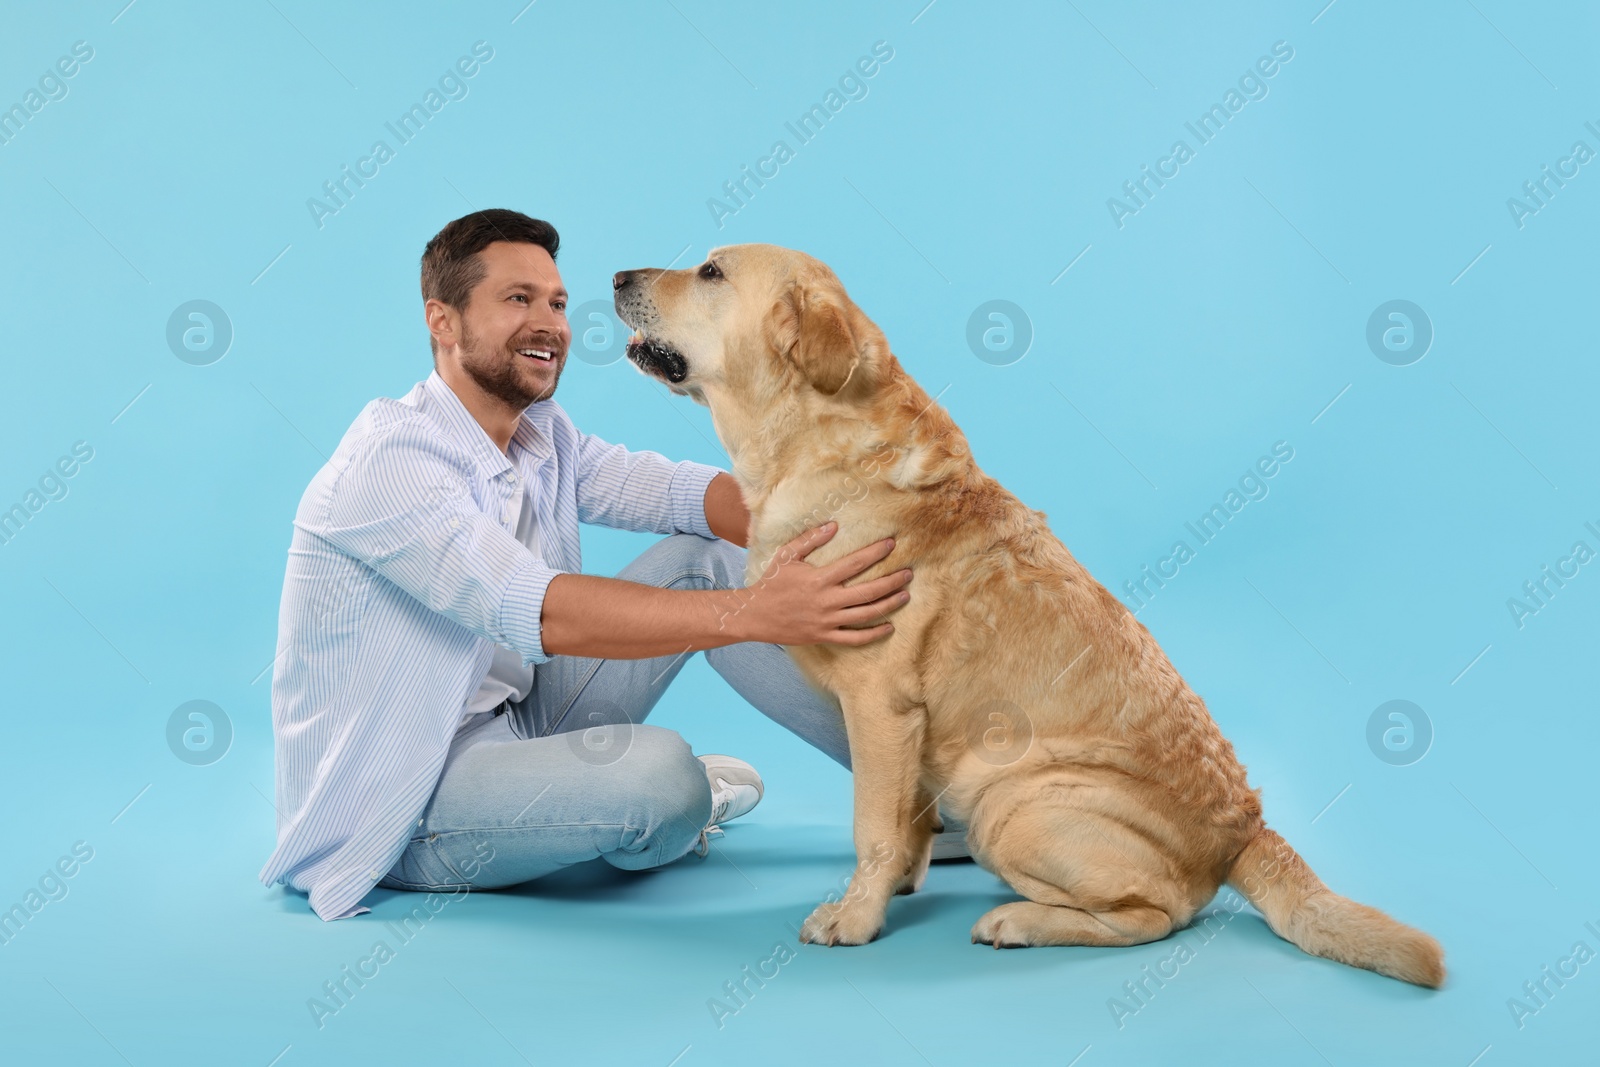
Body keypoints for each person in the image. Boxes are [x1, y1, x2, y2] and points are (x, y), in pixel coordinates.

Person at [257, 209, 953, 922]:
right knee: (659, 782)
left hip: (521, 720)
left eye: (556, 303)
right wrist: (758, 612)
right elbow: (543, 608)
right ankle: (659, 802)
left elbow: (691, 496)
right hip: (406, 802)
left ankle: (935, 798)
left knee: (708, 558)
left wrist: (885, 526)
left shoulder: (538, 437)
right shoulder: (392, 462)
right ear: (444, 321)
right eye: (518, 299)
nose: (550, 323)